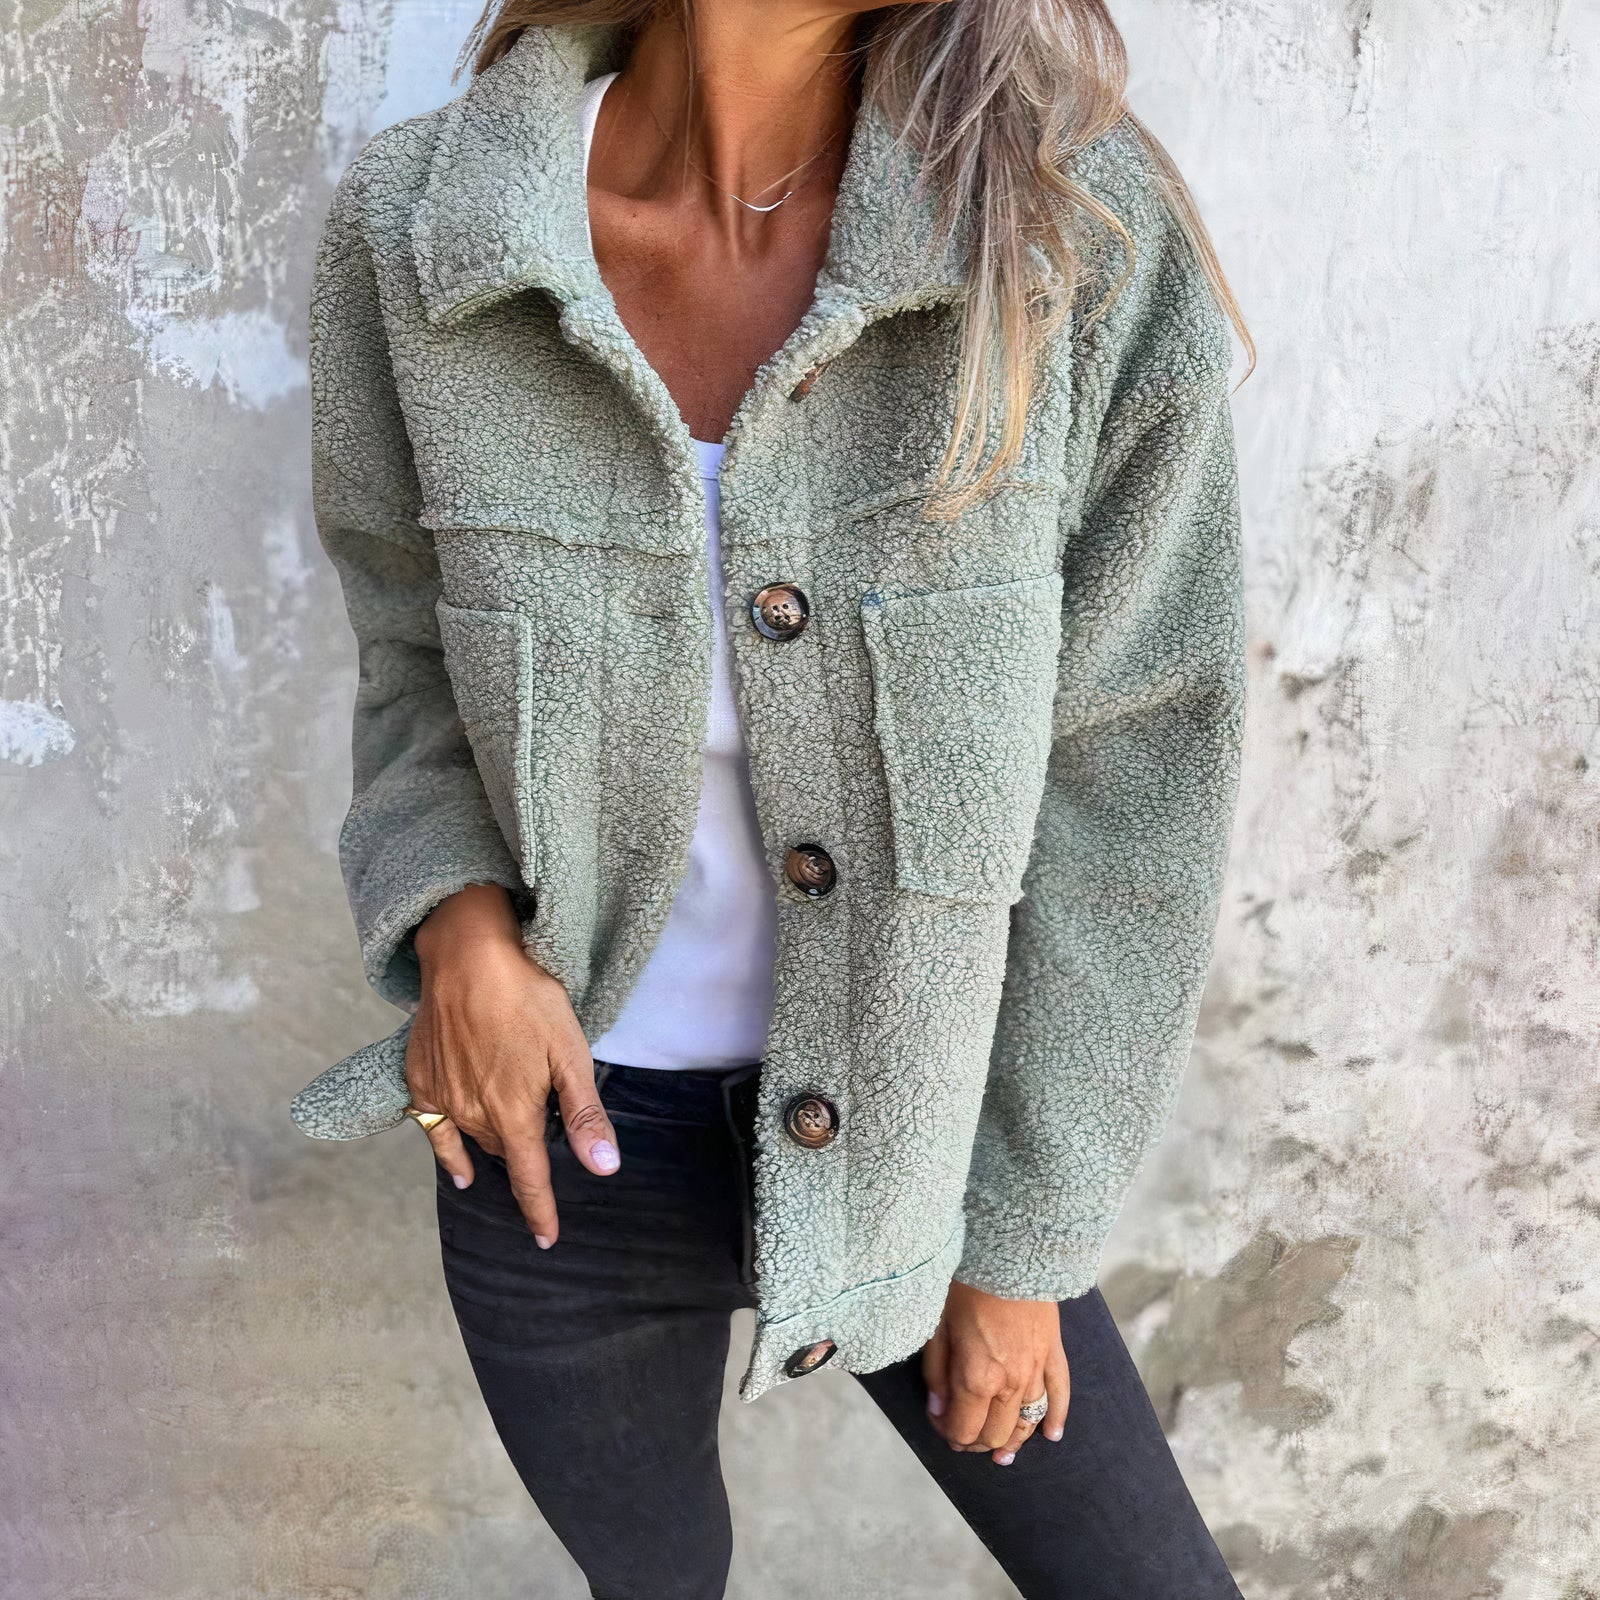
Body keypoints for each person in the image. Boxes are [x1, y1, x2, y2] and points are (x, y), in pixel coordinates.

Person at [292, 2, 1252, 1594]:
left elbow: (1137, 776)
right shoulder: (430, 231)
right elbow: (408, 662)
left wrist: (1023, 1241)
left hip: (925, 1143)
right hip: (561, 1158)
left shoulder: (1061, 234)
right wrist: (456, 933)